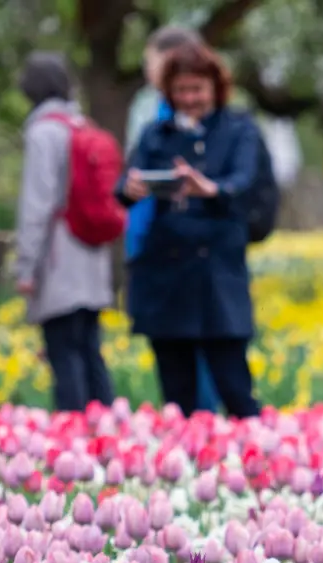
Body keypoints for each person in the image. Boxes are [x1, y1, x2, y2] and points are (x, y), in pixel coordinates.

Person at [115, 42, 262, 418]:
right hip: (167, 276)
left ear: (215, 87)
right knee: (177, 395)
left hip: (217, 275)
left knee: (235, 387)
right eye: (181, 90)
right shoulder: (155, 134)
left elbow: (247, 183)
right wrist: (130, 189)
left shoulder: (239, 129)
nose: (189, 98)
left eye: (197, 89)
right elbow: (125, 186)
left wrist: (212, 189)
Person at [124, 26, 222, 415]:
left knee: (196, 362)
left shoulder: (175, 115)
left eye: (151, 61)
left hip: (178, 253)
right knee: (183, 364)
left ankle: (203, 436)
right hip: (165, 253)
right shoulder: (154, 112)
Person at [13, 52, 115, 412]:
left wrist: (26, 267)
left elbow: (37, 206)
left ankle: (72, 435)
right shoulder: (81, 125)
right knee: (90, 350)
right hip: (91, 256)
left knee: (64, 353)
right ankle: (107, 430)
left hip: (59, 260)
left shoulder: (44, 132)